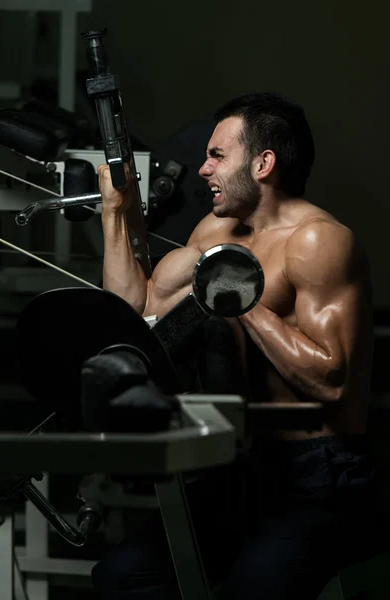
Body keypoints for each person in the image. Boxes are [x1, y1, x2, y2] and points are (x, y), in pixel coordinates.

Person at [92, 92, 378, 599]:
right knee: (123, 575)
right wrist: (115, 213)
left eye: (217, 155)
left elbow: (332, 381)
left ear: (264, 163)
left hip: (324, 471)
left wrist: (243, 304)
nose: (202, 169)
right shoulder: (216, 231)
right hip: (252, 465)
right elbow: (137, 313)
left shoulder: (318, 241)